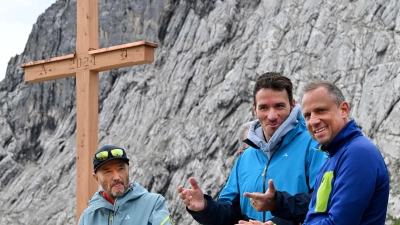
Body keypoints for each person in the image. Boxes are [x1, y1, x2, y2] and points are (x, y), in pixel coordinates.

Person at [178, 72, 327, 225]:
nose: (272, 115)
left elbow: (324, 200)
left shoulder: (314, 145)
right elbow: (230, 213)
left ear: (292, 105)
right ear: (255, 110)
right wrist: (204, 207)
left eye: (279, 106)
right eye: (263, 107)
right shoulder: (245, 158)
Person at [241, 80, 390, 225]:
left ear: (344, 109)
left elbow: (339, 222)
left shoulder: (357, 154)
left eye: (321, 110)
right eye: (307, 115)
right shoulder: (332, 157)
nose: (313, 121)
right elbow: (315, 218)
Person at [78, 144, 174, 225]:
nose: (116, 177)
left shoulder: (153, 203)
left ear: (128, 170)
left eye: (121, 169)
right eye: (107, 171)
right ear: (96, 178)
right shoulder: (87, 218)